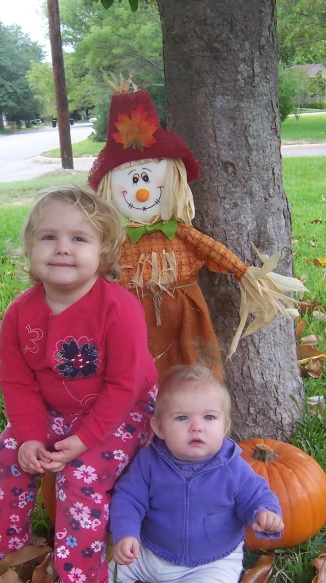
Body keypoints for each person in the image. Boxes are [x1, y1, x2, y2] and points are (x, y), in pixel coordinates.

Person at [0, 184, 158, 583]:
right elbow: (17, 383)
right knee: (8, 455)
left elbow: (124, 386)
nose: (62, 248)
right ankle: (9, 550)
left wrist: (84, 440)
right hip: (54, 411)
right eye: (48, 237)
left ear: (104, 252)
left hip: (122, 412)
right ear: (29, 249)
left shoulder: (119, 309)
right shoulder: (20, 315)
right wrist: (29, 437)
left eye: (79, 239)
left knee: (80, 479)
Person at [89, 83, 307, 379]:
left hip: (184, 312)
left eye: (150, 179)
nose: (143, 192)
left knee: (192, 368)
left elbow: (210, 249)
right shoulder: (113, 243)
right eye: (135, 180)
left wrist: (243, 271)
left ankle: (195, 416)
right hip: (129, 316)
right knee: (132, 373)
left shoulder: (179, 233)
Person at [95, 361, 284, 583]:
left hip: (211, 562)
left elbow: (256, 495)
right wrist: (126, 534)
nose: (196, 427)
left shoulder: (234, 467)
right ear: (158, 427)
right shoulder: (149, 462)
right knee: (102, 564)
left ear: (225, 426)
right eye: (182, 418)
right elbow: (129, 498)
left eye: (209, 418)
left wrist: (264, 513)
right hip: (147, 551)